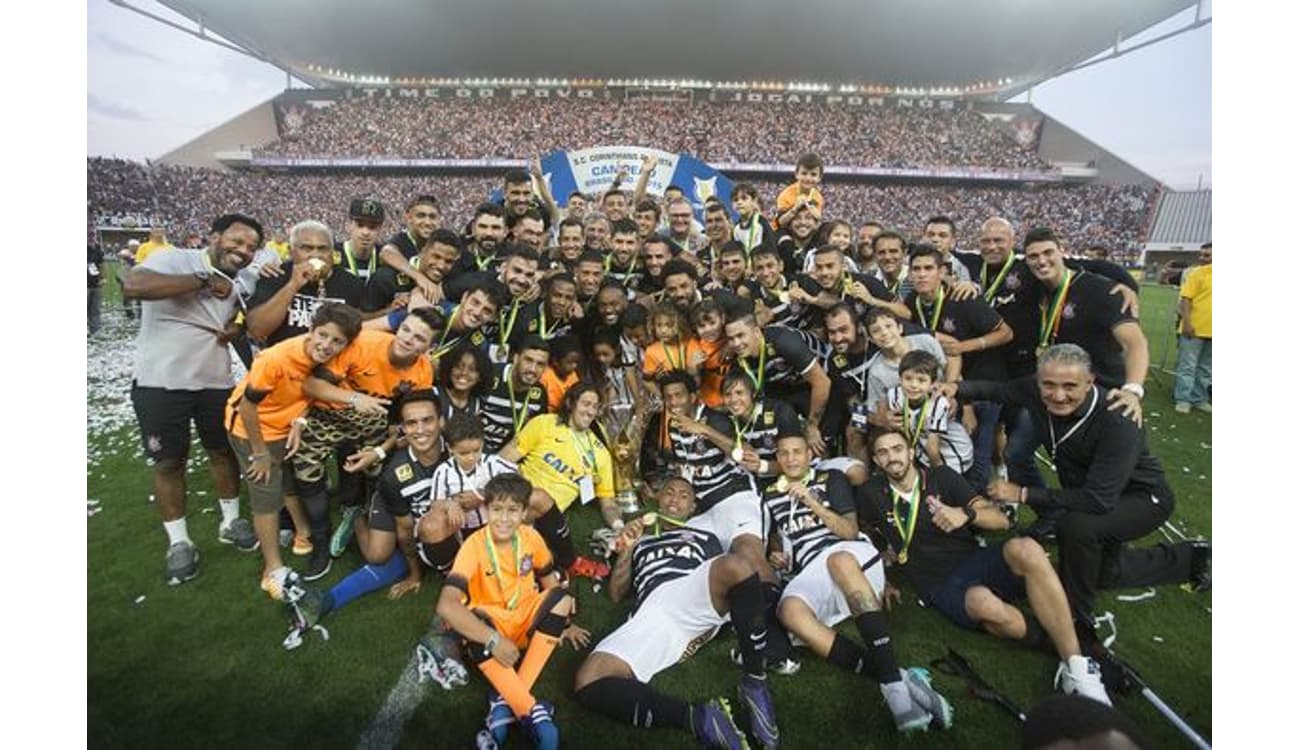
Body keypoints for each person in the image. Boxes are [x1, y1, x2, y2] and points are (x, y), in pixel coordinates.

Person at [940, 344, 1211, 641]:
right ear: (1038, 380)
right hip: (1095, 493)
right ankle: (1191, 557)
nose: (1058, 395)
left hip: (1142, 499)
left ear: (1090, 382)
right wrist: (955, 387)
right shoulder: (1034, 390)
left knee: (1077, 527)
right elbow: (998, 390)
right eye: (1049, 385)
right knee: (1103, 574)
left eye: (1070, 386)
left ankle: (1077, 621)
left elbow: (1098, 499)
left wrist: (1024, 495)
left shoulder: (1118, 417)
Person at [858, 427, 1111, 705]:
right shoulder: (871, 493)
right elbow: (864, 532)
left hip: (972, 559)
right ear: (876, 461)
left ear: (909, 452)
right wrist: (881, 573)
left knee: (1025, 548)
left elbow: (1001, 520)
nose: (891, 457)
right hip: (938, 584)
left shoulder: (942, 476)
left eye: (897, 449)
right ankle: (1079, 647)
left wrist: (964, 514)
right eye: (882, 452)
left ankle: (1077, 667)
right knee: (985, 605)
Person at [763, 431, 953, 733]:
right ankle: (898, 676)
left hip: (850, 556)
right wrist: (775, 553)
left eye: (797, 451)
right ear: (777, 459)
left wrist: (812, 501)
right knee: (788, 612)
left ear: (809, 455)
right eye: (783, 453)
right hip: (811, 567)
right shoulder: (770, 494)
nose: (790, 459)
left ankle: (894, 692)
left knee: (838, 561)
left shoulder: (831, 479)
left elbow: (849, 532)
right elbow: (774, 538)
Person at [574, 478, 780, 750]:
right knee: (588, 680)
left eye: (684, 496)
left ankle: (754, 684)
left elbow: (725, 588)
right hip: (655, 611)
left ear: (692, 507)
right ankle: (699, 718)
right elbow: (615, 594)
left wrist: (708, 630)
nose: (674, 499)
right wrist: (627, 551)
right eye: (668, 492)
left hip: (692, 592)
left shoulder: (706, 538)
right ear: (657, 498)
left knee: (737, 566)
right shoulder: (642, 540)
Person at [124, 213, 271, 584]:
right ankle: (179, 542)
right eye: (237, 242)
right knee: (169, 462)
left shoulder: (242, 280)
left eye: (251, 248)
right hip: (161, 381)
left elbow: (242, 319)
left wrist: (236, 327)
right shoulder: (176, 258)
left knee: (223, 452)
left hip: (214, 379)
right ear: (215, 237)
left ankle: (231, 520)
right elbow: (133, 284)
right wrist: (202, 280)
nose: (243, 251)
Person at [226, 303, 363, 599]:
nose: (327, 345)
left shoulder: (328, 362)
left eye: (337, 341)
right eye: (323, 335)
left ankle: (302, 531)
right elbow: (248, 407)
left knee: (288, 482)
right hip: (253, 431)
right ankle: (272, 567)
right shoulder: (275, 358)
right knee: (266, 497)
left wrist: (299, 421)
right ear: (311, 330)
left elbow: (308, 395)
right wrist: (260, 453)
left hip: (285, 425)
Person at [434, 473, 580, 749]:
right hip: (493, 627)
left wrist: (566, 623)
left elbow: (548, 576)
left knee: (562, 597)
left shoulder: (530, 537)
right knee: (472, 620)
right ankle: (531, 711)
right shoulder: (473, 546)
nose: (503, 518)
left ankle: (503, 705)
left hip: (524, 619)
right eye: (497, 510)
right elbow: (446, 604)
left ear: (525, 512)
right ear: (486, 510)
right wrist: (493, 639)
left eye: (513, 510)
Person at [294, 307, 440, 578]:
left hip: (373, 420)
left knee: (379, 472)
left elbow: (408, 424)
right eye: (406, 329)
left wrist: (380, 450)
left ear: (429, 347)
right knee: (306, 472)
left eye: (419, 338)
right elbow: (311, 385)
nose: (408, 339)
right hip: (329, 412)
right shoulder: (366, 343)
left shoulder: (422, 373)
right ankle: (321, 540)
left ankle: (361, 515)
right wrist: (353, 399)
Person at [284, 389, 444, 632]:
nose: (420, 429)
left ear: (441, 421)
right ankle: (357, 517)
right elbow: (404, 529)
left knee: (435, 538)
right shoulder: (394, 474)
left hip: (423, 511)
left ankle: (327, 600)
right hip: (394, 505)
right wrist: (415, 574)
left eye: (427, 420)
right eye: (412, 423)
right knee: (378, 556)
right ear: (403, 427)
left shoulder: (457, 450)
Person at [1021, 227, 1148, 424]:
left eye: (1048, 253)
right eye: (1033, 256)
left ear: (1061, 251)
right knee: (1018, 449)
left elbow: (1135, 344)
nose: (1042, 261)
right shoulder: (1037, 286)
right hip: (1056, 390)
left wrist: (1132, 390)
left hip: (1100, 392)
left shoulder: (1103, 291)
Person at [497, 382, 616, 580]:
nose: (590, 411)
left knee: (538, 498)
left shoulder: (600, 454)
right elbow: (504, 458)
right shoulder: (545, 423)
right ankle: (564, 563)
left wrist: (619, 526)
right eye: (586, 403)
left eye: (595, 407)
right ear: (571, 403)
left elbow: (609, 502)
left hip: (547, 516)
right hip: (515, 495)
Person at [412, 413, 519, 573]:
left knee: (498, 564)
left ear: (482, 444)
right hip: (462, 529)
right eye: (463, 453)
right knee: (474, 564)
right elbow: (435, 503)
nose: (470, 457)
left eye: (476, 451)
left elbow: (519, 478)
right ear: (450, 449)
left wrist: (485, 494)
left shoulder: (493, 463)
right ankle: (451, 568)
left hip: (492, 524)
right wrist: (450, 505)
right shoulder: (444, 472)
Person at [246, 220, 368, 345]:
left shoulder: (351, 284)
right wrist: (293, 285)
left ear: (332, 252)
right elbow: (257, 330)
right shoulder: (276, 275)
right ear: (291, 251)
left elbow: (360, 330)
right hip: (284, 360)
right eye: (307, 248)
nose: (315, 255)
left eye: (322, 249)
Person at [886, 350, 974, 477]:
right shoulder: (894, 395)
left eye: (921, 380)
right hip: (922, 451)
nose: (913, 385)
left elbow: (933, 449)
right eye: (908, 378)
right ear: (900, 378)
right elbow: (900, 430)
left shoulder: (938, 404)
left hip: (952, 455)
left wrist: (938, 478)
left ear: (932, 384)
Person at [480, 336, 550, 453]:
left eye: (540, 364)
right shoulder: (490, 376)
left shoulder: (539, 394)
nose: (533, 369)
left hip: (506, 456)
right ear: (516, 358)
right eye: (528, 360)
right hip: (472, 449)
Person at [1174, 242, 1212, 413]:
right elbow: (1186, 299)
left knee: (1206, 368)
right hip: (1194, 328)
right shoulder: (1198, 273)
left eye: (1208, 255)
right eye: (1203, 255)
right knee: (1187, 366)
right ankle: (1183, 399)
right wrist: (1187, 323)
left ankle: (1199, 399)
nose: (1203, 258)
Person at [335, 198, 386, 283]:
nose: (365, 232)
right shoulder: (333, 254)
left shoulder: (385, 257)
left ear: (380, 230)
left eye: (372, 227)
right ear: (348, 225)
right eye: (360, 225)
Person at [774, 153, 825, 229]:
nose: (808, 178)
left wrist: (818, 218)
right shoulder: (786, 195)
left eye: (813, 174)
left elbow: (816, 224)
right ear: (796, 174)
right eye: (804, 173)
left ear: (819, 177)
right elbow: (780, 223)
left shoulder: (818, 198)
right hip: (786, 232)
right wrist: (795, 208)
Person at [88, 237, 104, 334]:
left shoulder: (97, 248)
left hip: (95, 284)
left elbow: (101, 264)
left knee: (95, 309)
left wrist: (103, 278)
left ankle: (95, 330)